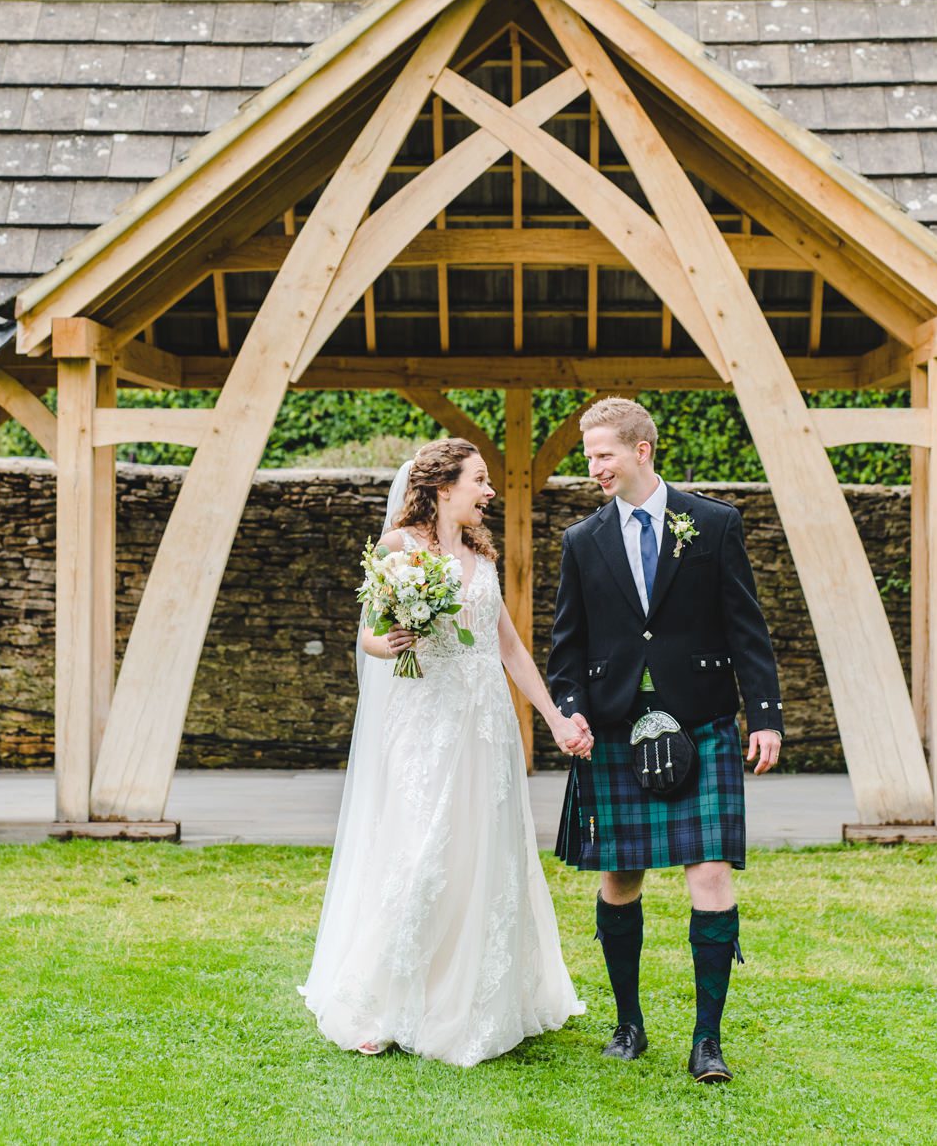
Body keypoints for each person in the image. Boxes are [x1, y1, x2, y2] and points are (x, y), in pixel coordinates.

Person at [301, 438, 593, 1067]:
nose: (490, 492)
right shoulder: (400, 547)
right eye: (480, 481)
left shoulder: (480, 553)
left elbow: (509, 649)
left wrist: (555, 719)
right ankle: (380, 1001)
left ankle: (472, 995)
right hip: (426, 723)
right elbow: (369, 638)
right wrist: (395, 639)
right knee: (416, 851)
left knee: (479, 852)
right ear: (442, 486)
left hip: (485, 725)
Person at [549, 397, 783, 1084]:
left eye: (604, 454)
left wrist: (764, 715)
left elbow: (748, 627)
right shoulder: (582, 541)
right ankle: (629, 1022)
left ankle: (707, 1041)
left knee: (710, 871)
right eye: (589, 456)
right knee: (620, 874)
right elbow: (568, 645)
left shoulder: (712, 524)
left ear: (642, 449)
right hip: (618, 726)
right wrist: (572, 711)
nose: (594, 467)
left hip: (703, 719)